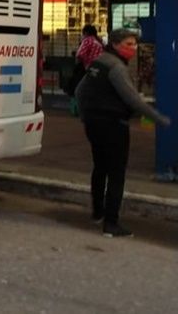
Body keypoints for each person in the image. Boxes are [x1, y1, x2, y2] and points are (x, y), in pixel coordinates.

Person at [74, 28, 173, 238]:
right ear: (116, 44)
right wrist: (161, 120)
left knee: (100, 167)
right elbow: (133, 100)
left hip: (94, 124)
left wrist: (86, 115)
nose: (133, 48)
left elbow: (80, 91)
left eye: (135, 44)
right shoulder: (117, 68)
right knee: (116, 173)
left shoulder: (99, 61)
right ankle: (111, 223)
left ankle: (97, 212)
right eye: (129, 44)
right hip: (113, 125)